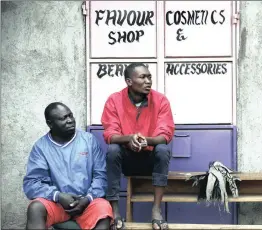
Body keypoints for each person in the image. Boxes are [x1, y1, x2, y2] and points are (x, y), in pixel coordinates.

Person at [101, 63, 175, 230]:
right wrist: (129, 139)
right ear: (129, 81)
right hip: (127, 161)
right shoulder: (114, 100)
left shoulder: (160, 100)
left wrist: (145, 141)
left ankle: (156, 210)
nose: (148, 81)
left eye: (149, 77)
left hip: (150, 160)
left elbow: (165, 135)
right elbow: (110, 134)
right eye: (143, 77)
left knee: (163, 149)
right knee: (113, 150)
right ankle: (115, 210)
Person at [23, 102, 113, 230]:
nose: (70, 120)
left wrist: (87, 199)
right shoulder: (41, 147)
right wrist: (58, 196)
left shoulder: (89, 140)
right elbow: (32, 183)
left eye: (70, 116)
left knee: (104, 209)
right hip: (57, 203)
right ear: (50, 123)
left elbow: (101, 176)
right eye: (63, 118)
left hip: (87, 202)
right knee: (35, 208)